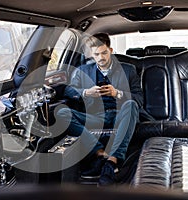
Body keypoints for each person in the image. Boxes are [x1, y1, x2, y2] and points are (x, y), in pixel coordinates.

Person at [56, 33, 143, 186]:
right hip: (96, 117)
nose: (101, 57)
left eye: (104, 52)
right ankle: (99, 152)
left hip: (121, 116)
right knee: (61, 112)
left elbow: (139, 99)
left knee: (131, 104)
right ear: (92, 54)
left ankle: (112, 161)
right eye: (97, 54)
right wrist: (86, 92)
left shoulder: (129, 70)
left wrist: (117, 93)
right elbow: (67, 91)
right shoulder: (83, 70)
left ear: (111, 50)